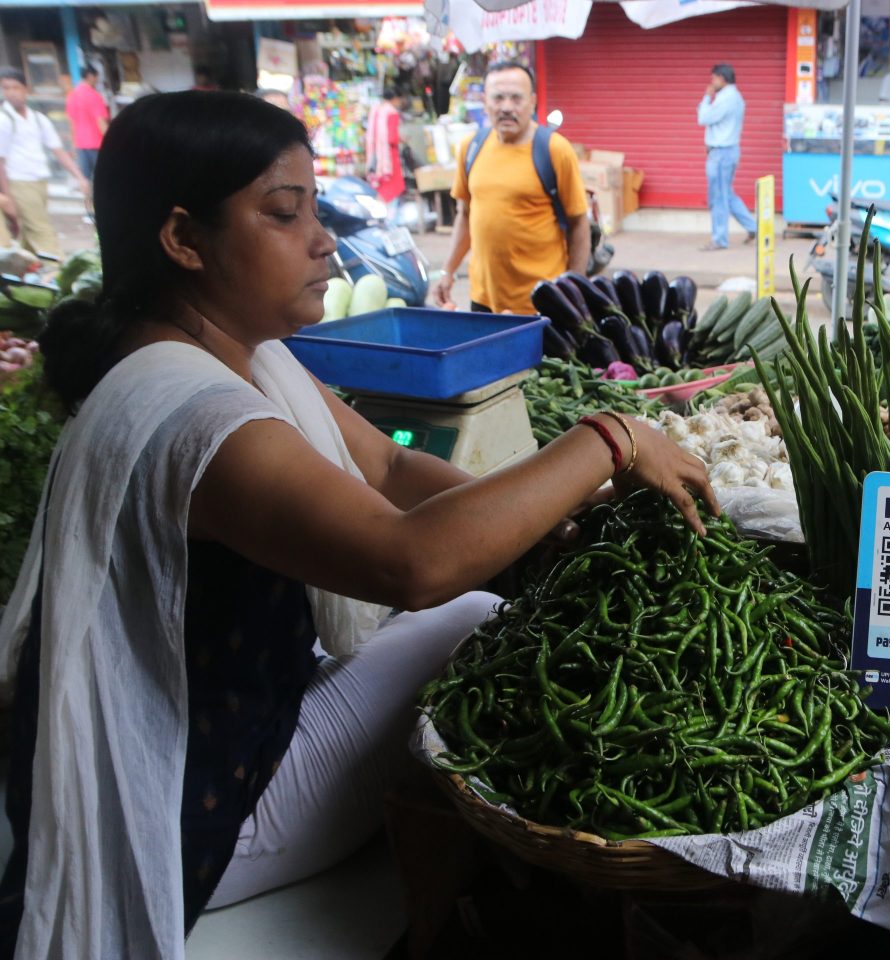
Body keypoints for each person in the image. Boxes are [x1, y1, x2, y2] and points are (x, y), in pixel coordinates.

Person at [0, 90, 716, 958]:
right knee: (479, 620)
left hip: (218, 732)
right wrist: (607, 439)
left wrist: (550, 518)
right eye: (282, 213)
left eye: (315, 208)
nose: (323, 240)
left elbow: (386, 467)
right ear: (183, 239)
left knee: (474, 611)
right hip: (194, 813)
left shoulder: (233, 357)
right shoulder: (192, 418)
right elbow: (404, 562)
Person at [434, 61, 589, 314]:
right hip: (484, 300)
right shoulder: (471, 147)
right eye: (498, 98)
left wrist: (573, 288)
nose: (507, 107)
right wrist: (447, 271)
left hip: (541, 301)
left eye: (517, 98)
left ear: (532, 102)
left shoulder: (554, 150)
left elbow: (578, 223)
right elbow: (465, 215)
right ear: (485, 101)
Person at [0, 67, 90, 255]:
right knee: (41, 230)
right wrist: (7, 196)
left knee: (27, 230)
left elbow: (58, 150)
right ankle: (58, 268)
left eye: (15, 88)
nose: (11, 93)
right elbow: (1, 161)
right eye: (6, 88)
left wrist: (79, 177)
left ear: (26, 89)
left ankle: (23, 272)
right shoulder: (4, 119)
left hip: (39, 180)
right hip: (19, 182)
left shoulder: (38, 119)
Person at [697, 63, 757, 252]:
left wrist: (707, 97)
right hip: (726, 152)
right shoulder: (734, 97)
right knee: (727, 194)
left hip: (721, 153)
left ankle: (720, 239)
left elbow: (703, 118)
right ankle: (755, 228)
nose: (711, 82)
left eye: (713, 78)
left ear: (722, 78)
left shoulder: (726, 98)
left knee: (719, 197)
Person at [64, 65, 108, 186]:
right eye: (96, 78)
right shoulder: (94, 96)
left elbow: (71, 123)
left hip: (80, 146)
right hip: (97, 146)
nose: (97, 82)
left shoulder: (72, 96)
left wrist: (73, 146)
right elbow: (101, 123)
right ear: (90, 77)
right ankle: (101, 204)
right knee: (103, 180)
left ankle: (88, 204)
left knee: (85, 181)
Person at [366, 87, 405, 217]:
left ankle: (381, 216)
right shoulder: (391, 112)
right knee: (393, 187)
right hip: (388, 158)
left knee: (381, 187)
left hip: (375, 155)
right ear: (395, 99)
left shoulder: (376, 110)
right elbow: (392, 138)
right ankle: (390, 218)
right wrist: (402, 140)